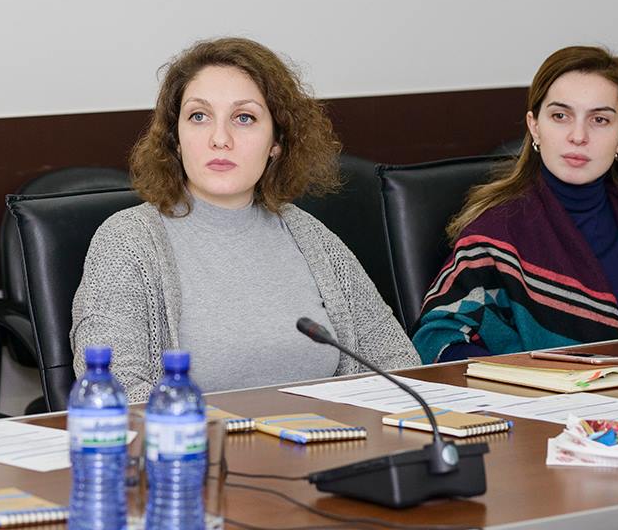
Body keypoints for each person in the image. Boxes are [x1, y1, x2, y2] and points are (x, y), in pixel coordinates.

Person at [70, 37, 418, 401]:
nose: (220, 139)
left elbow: (397, 362)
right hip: (196, 438)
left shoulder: (308, 235)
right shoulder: (127, 241)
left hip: (326, 434)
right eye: (199, 116)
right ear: (176, 138)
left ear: (276, 142)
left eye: (244, 118)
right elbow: (116, 393)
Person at [413, 46, 618, 363]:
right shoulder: (496, 232)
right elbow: (436, 336)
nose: (578, 136)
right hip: (542, 394)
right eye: (560, 116)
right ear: (535, 126)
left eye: (599, 119)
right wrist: (509, 379)